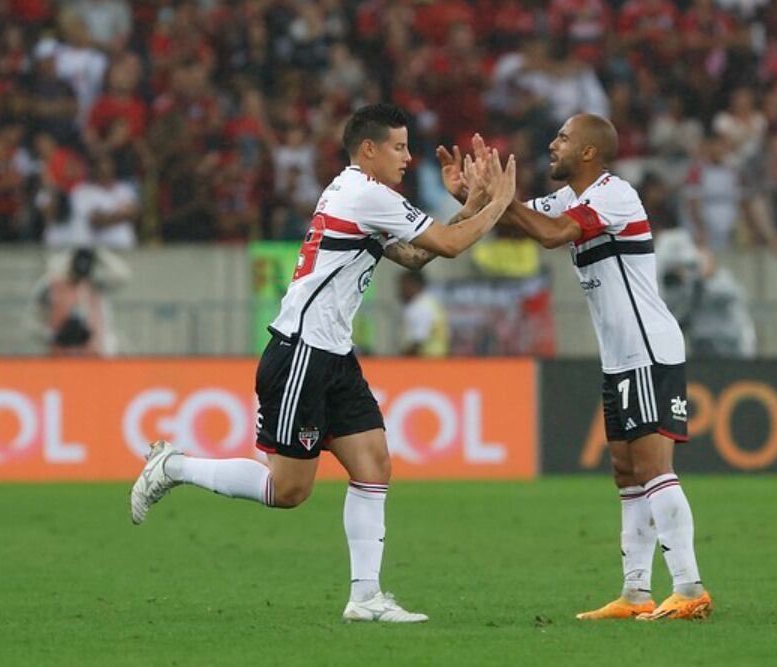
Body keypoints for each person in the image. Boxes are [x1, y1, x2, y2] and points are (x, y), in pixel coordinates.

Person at [130, 103, 517, 623]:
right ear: (369, 149)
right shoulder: (365, 193)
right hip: (301, 354)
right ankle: (172, 465)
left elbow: (415, 255)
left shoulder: (359, 192)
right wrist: (500, 203)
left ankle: (366, 598)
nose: (408, 158)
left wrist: (472, 205)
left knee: (373, 463)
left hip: (333, 354)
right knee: (287, 490)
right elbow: (446, 246)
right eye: (399, 147)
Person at [441, 116, 712, 621]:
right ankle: (636, 594)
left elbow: (549, 235)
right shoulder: (570, 199)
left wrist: (497, 198)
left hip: (647, 349)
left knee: (654, 470)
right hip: (619, 356)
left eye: (563, 138)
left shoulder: (614, 195)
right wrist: (471, 197)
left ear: (589, 153)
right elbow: (517, 222)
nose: (552, 143)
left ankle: (690, 587)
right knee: (626, 473)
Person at [399, 270, 449, 357]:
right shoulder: (430, 302)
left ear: (413, 285)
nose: (400, 291)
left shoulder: (420, 307)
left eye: (403, 286)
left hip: (426, 361)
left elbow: (418, 341)